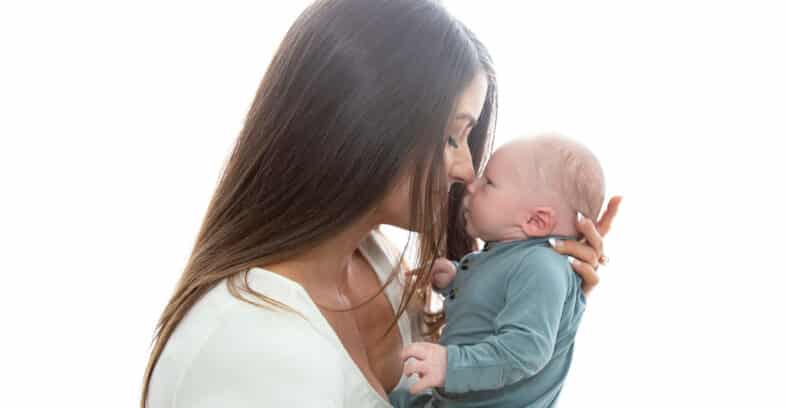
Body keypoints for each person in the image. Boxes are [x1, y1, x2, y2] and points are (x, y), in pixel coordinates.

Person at [140, 0, 622, 407]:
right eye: (453, 137)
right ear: (366, 126)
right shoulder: (247, 348)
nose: (467, 171)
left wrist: (545, 303)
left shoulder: (376, 262)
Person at [391, 134, 604, 407]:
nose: (470, 186)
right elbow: (491, 299)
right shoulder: (506, 258)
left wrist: (450, 365)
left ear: (535, 220)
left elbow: (526, 351)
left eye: (488, 183)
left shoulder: (541, 267)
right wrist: (454, 278)